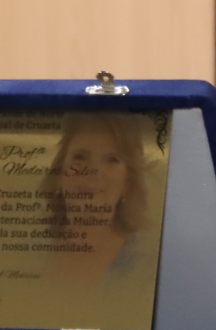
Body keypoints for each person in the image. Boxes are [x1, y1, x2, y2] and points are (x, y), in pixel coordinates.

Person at [39, 112, 157, 286]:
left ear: (128, 181)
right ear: (59, 172)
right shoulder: (27, 251)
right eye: (80, 156)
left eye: (112, 160)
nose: (93, 171)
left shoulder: (148, 267)